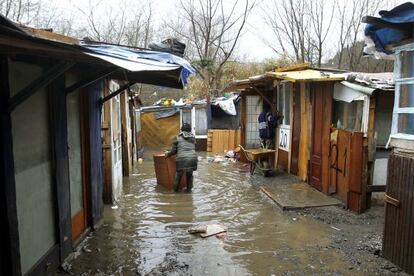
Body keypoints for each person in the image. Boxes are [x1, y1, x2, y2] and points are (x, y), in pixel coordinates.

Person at [165, 123, 197, 192]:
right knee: (189, 175)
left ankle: (174, 191)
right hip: (193, 158)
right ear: (190, 130)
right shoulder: (193, 138)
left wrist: (167, 154)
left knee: (178, 175)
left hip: (182, 159)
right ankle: (189, 191)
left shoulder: (178, 137)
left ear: (181, 130)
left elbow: (173, 151)